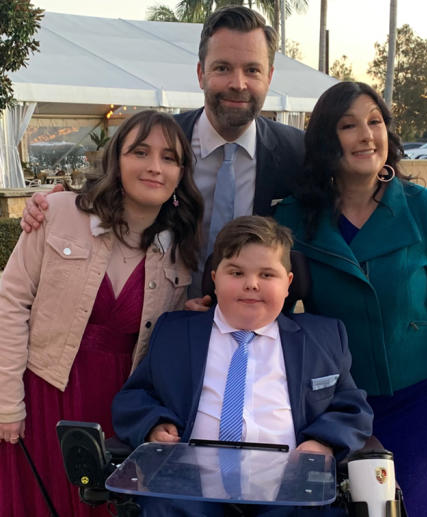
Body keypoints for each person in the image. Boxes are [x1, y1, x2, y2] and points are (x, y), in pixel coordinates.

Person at [273, 81, 427, 517]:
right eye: (349, 125)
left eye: (375, 121)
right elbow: (273, 314)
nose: (367, 135)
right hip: (332, 409)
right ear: (327, 139)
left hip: (418, 399)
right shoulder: (292, 218)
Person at [20, 6, 304, 299]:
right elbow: (99, 197)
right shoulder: (156, 142)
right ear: (200, 73)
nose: (238, 83)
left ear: (269, 77)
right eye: (222, 68)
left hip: (256, 323)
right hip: (158, 321)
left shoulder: (298, 152)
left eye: (252, 70)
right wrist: (48, 206)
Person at [0, 110, 203, 517]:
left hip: (119, 406)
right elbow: (11, 302)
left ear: (181, 175)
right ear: (117, 160)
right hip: (45, 391)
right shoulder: (57, 212)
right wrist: (8, 403)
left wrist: (192, 318)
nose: (153, 166)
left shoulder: (179, 252)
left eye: (169, 158)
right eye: (140, 152)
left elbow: (166, 341)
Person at [112, 215, 372, 515]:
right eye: (236, 272)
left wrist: (323, 441)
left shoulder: (323, 338)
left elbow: (354, 409)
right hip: (188, 492)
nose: (251, 284)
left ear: (288, 283)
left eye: (267, 275)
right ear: (214, 278)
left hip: (290, 492)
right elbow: (135, 396)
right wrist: (153, 424)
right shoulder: (174, 333)